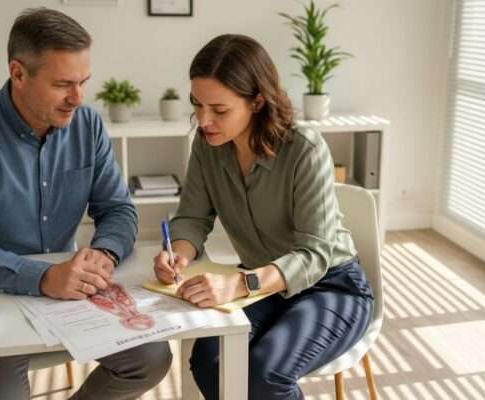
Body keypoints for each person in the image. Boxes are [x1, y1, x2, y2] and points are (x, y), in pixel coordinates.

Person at [0, 8, 170, 400]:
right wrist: (42, 278)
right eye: (63, 84)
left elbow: (118, 209)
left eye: (83, 82)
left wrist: (105, 254)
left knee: (152, 357)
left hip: (73, 297)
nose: (77, 98)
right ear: (18, 73)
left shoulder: (87, 125)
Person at [152, 34, 374, 400]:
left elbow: (315, 254)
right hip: (263, 287)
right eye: (197, 104)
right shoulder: (208, 147)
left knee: (264, 374)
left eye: (219, 110)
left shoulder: (304, 148)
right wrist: (179, 253)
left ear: (257, 101)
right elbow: (192, 216)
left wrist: (240, 285)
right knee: (209, 360)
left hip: (330, 287)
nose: (204, 120)